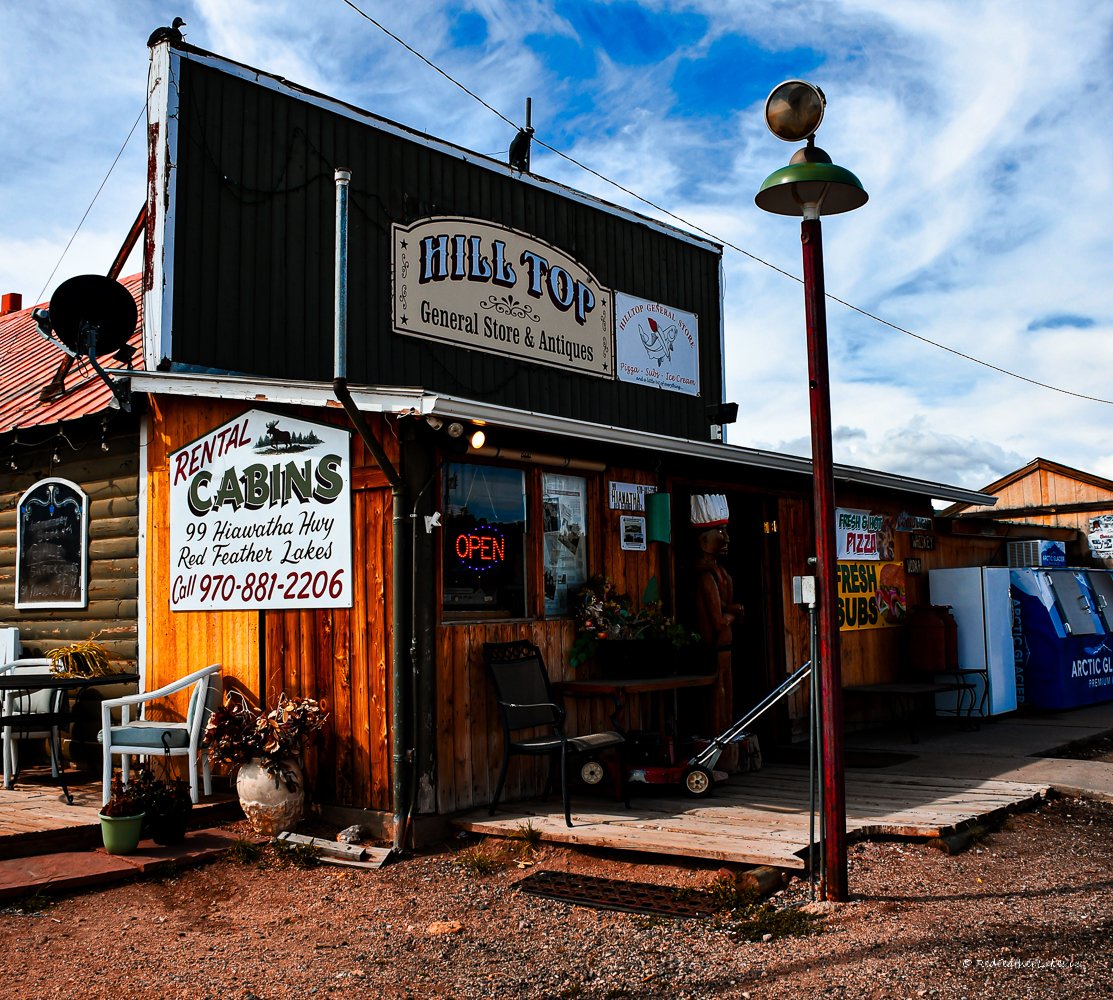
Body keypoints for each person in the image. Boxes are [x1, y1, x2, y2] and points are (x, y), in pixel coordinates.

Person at [690, 495, 744, 742]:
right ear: (703, 540)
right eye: (720, 531)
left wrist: (730, 610)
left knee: (728, 695)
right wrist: (733, 612)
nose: (727, 537)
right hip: (713, 647)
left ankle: (726, 736)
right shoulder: (704, 576)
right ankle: (717, 741)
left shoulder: (720, 573)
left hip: (725, 647)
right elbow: (719, 619)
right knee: (717, 695)